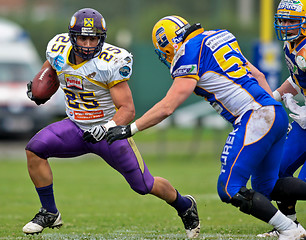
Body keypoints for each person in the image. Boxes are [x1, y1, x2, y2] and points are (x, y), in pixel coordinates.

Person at [106, 15, 306, 239]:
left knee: (229, 188)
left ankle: (290, 229)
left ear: (169, 43)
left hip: (255, 116)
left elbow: (168, 106)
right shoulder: (219, 35)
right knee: (266, 187)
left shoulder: (187, 53)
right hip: (273, 111)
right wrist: (271, 111)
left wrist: (130, 129)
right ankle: (288, 228)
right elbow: (257, 74)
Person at [23, 8, 200, 239]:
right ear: (71, 37)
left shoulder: (111, 62)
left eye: (93, 38)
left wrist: (105, 129)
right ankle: (49, 211)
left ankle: (185, 205)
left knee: (144, 185)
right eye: (83, 38)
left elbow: (128, 110)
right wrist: (39, 85)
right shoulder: (57, 48)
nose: (87, 44)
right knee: (34, 150)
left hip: (109, 132)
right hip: (76, 126)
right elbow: (50, 67)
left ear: (101, 38)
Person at [257, 0, 306, 238]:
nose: (286, 25)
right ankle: (291, 227)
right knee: (277, 171)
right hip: (304, 124)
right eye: (283, 20)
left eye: (292, 20)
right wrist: (274, 97)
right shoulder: (292, 45)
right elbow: (297, 81)